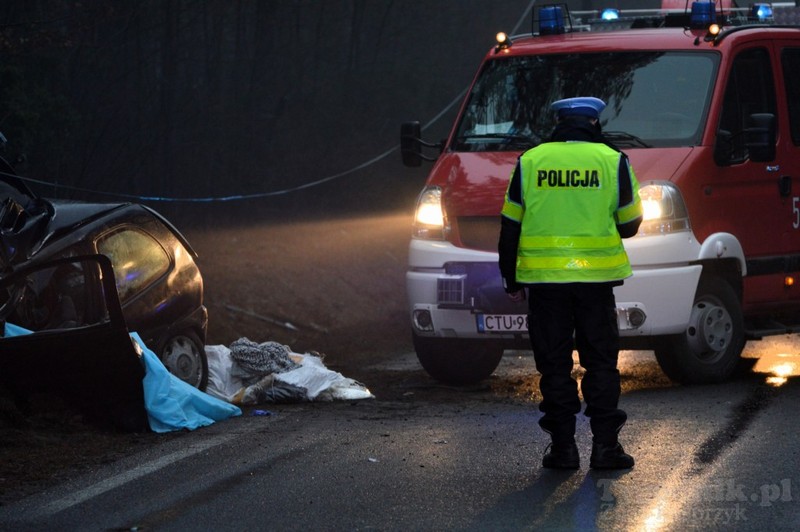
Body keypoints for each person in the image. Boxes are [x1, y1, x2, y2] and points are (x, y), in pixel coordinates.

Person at [498, 96, 643, 470]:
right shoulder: (612, 160)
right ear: (594, 124)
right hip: (596, 282)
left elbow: (510, 223)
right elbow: (629, 223)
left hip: (545, 284)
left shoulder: (530, 161)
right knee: (601, 365)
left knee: (554, 367)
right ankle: (605, 449)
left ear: (559, 123)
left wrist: (510, 277)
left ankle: (563, 450)